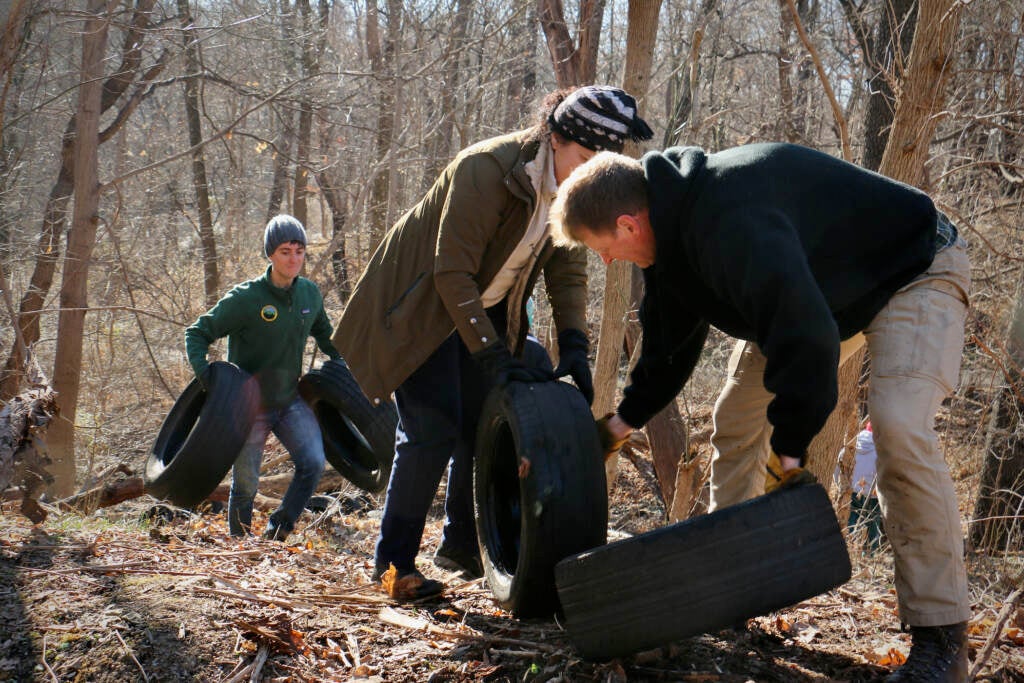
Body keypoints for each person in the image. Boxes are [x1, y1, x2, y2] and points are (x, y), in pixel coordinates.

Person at [551, 144, 971, 682]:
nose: (606, 261)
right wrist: (616, 427)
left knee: (898, 427)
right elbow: (666, 347)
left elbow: (807, 341)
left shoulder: (730, 222)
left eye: (602, 248)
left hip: (915, 267)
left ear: (629, 224)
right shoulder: (672, 237)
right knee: (737, 416)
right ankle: (731, 587)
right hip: (825, 292)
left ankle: (942, 641)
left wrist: (790, 455)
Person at [333, 86, 653, 599]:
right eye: (584, 159)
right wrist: (493, 356)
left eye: (600, 166)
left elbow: (569, 269)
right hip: (422, 312)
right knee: (431, 428)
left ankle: (461, 551)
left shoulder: (573, 190)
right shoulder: (485, 169)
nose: (589, 174)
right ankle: (393, 567)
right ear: (554, 136)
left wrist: (574, 341)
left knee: (478, 430)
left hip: (484, 315)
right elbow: (452, 272)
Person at [185, 215, 341, 541]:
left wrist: (348, 369)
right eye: (285, 251)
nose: (294, 258)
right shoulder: (245, 299)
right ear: (270, 254)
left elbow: (328, 339)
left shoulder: (309, 295)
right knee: (246, 485)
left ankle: (277, 531)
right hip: (248, 408)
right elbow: (197, 334)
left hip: (289, 400)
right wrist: (209, 384)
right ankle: (241, 549)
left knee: (313, 463)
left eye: (299, 251)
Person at [837, 421, 885, 553]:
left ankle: (850, 550)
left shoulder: (852, 444)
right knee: (872, 526)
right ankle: (869, 555)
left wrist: (841, 485)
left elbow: (838, 465)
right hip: (874, 494)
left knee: (852, 521)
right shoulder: (883, 450)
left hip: (852, 491)